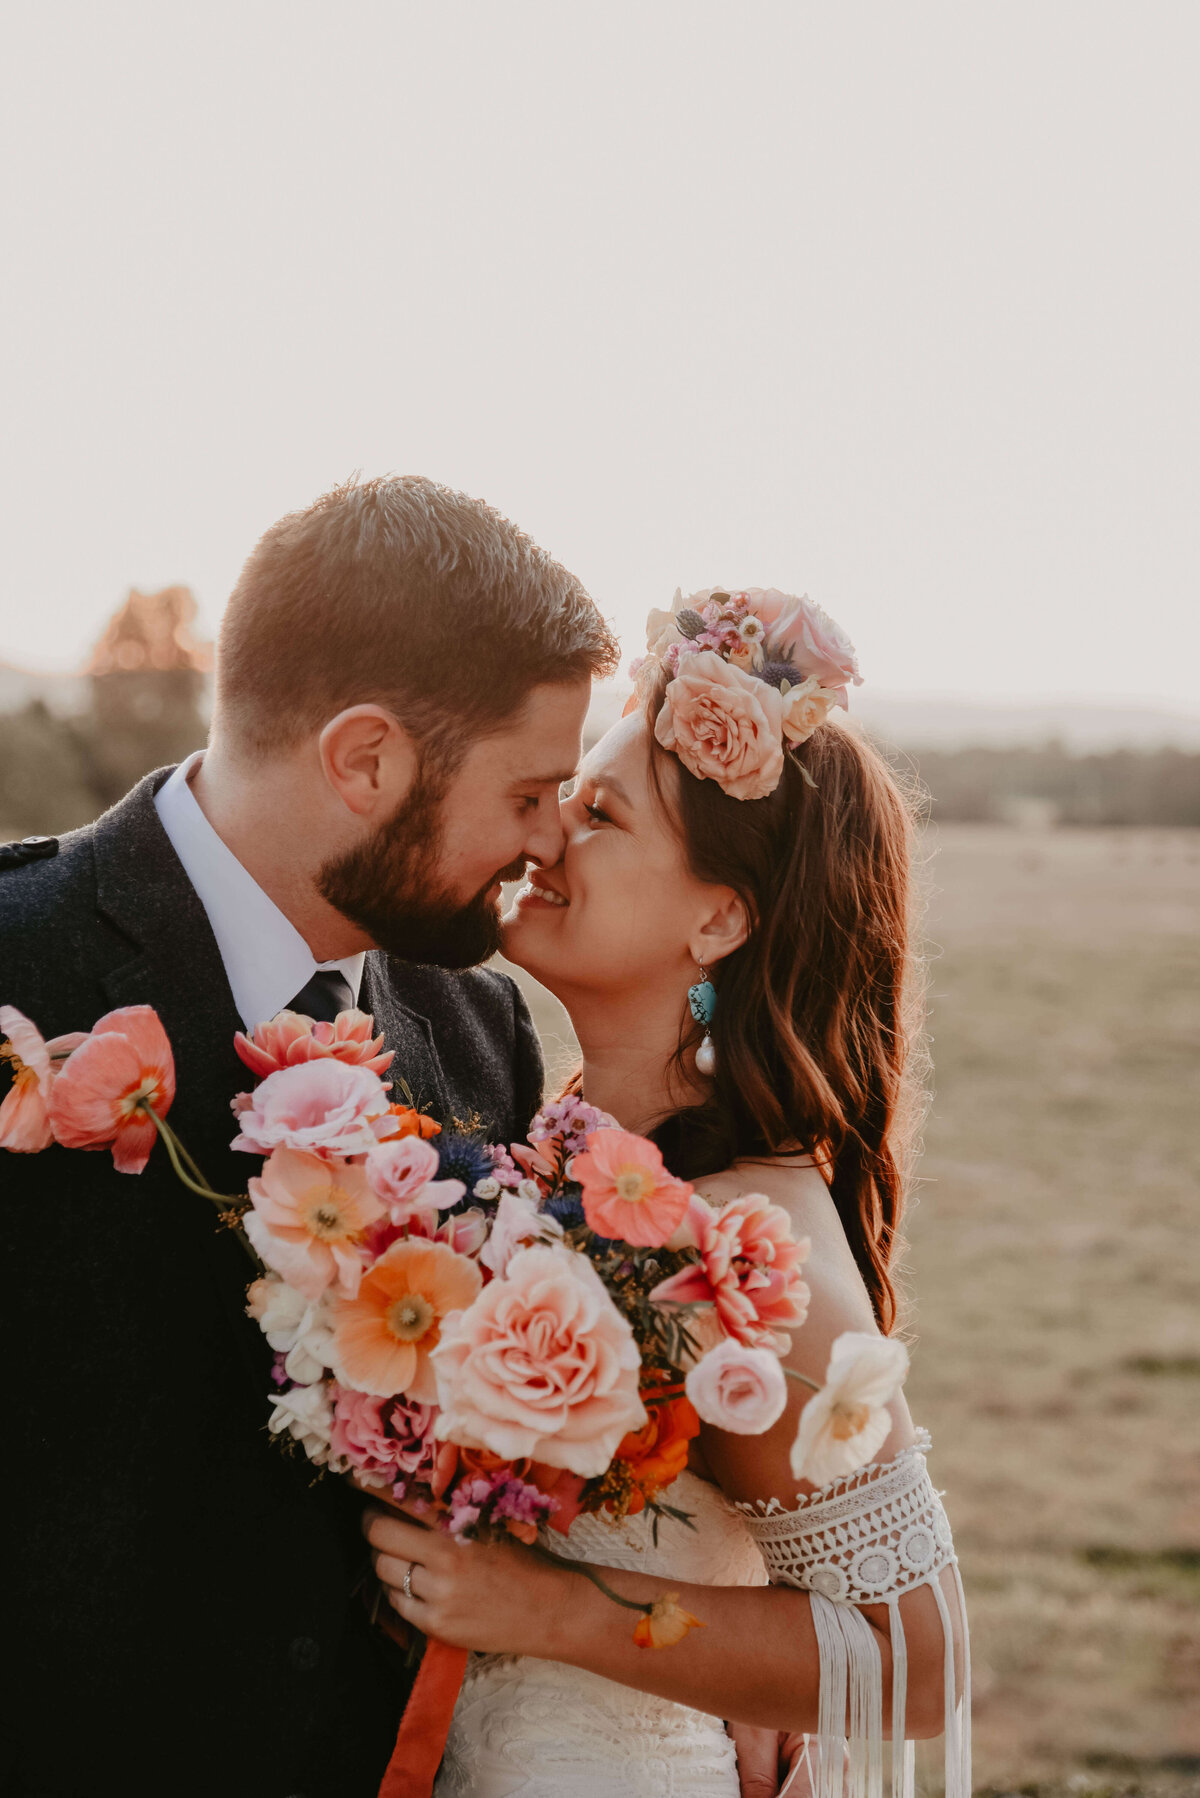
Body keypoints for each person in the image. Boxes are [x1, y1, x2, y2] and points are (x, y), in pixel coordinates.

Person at [1, 476, 617, 1798]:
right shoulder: (13, 973)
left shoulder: (485, 1031)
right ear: (366, 760)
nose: (555, 836)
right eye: (529, 790)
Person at [364, 588, 971, 1798]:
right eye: (555, 800)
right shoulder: (558, 1136)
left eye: (599, 815)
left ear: (721, 915)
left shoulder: (750, 1241)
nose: (547, 840)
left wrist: (548, 1610)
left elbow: (919, 1658)